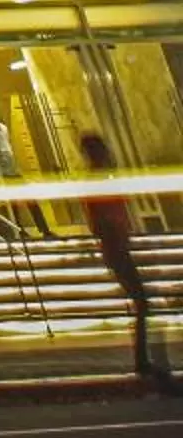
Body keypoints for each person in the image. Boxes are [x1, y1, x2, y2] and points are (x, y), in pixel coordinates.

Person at [78, 130, 171, 389]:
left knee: (141, 302)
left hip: (117, 247)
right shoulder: (97, 182)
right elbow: (100, 219)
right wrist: (116, 236)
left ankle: (143, 358)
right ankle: (142, 360)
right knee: (141, 301)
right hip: (116, 248)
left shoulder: (103, 179)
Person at [0, 97, 41, 235]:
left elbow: (8, 148)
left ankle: (43, 229)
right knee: (13, 205)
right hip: (4, 172)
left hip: (14, 170)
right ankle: (20, 231)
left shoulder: (3, 128)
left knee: (30, 200)